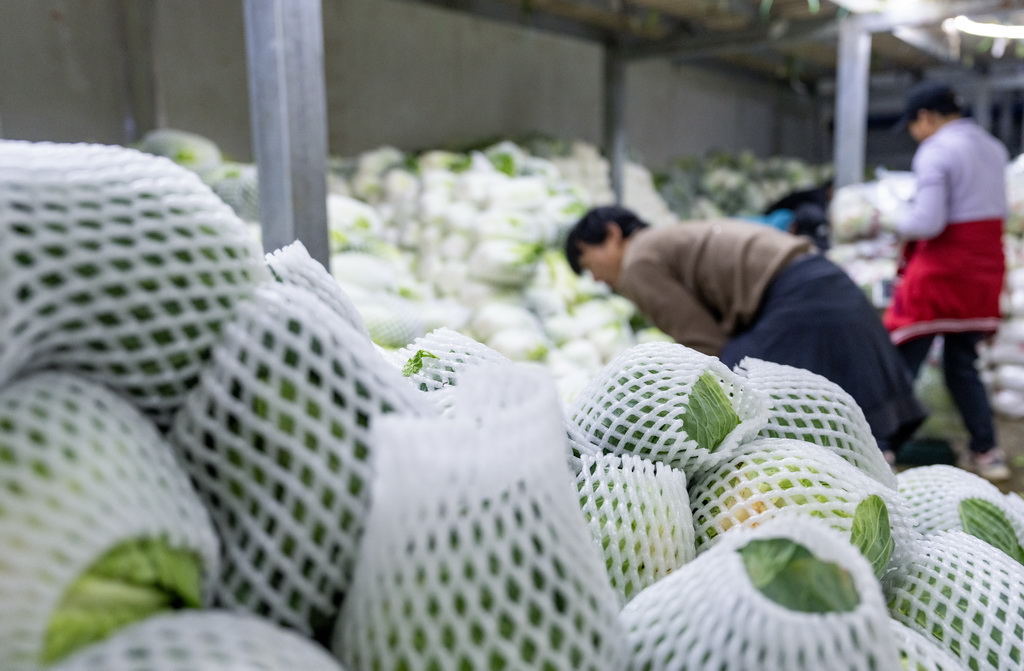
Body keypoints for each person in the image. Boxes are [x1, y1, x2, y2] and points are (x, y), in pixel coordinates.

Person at [565, 205, 926, 462]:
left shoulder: (637, 263)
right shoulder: (662, 240)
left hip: (800, 301)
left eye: (587, 262)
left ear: (612, 235)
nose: (594, 277)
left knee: (744, 390)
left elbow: (704, 345)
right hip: (825, 282)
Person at [885, 81, 1011, 481]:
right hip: (983, 269)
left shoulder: (936, 150)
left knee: (903, 361)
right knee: (963, 364)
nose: (914, 133)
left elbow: (927, 222)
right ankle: (987, 451)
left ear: (925, 118)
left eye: (912, 125)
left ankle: (882, 447)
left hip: (943, 270)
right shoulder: (994, 148)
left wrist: (891, 217)